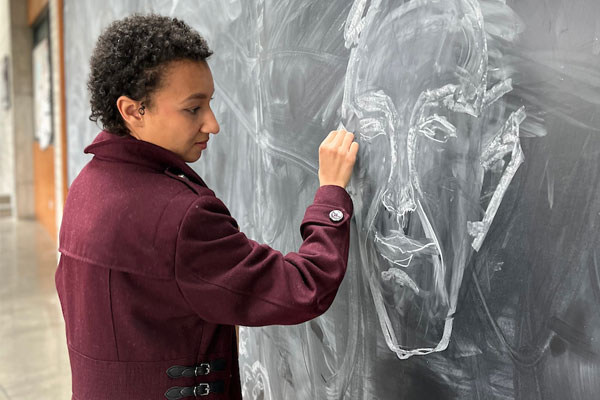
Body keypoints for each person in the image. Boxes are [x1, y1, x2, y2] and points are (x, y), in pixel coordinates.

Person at [54, 13, 358, 400]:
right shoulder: (180, 217)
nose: (212, 124)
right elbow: (304, 288)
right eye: (193, 109)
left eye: (209, 104)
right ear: (133, 111)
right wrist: (331, 193)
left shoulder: (87, 186)